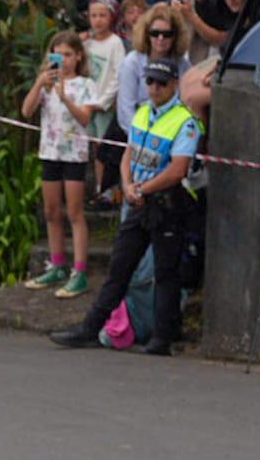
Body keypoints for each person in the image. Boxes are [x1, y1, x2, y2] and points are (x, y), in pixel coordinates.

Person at [51, 60, 201, 356]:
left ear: (174, 85)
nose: (154, 88)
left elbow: (178, 169)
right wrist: (128, 184)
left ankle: (162, 337)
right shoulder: (144, 112)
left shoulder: (185, 121)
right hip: (139, 201)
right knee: (119, 269)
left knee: (166, 273)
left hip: (168, 204)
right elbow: (128, 154)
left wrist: (141, 189)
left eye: (161, 83)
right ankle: (90, 329)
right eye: (150, 82)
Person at [22, 31, 100, 299]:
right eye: (59, 55)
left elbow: (85, 118)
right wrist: (39, 84)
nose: (64, 61)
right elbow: (26, 111)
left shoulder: (86, 85)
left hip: (74, 155)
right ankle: (57, 264)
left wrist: (65, 97)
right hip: (50, 152)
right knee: (51, 211)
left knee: (75, 212)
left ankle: (79, 271)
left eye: (69, 55)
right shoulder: (47, 82)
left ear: (78, 57)